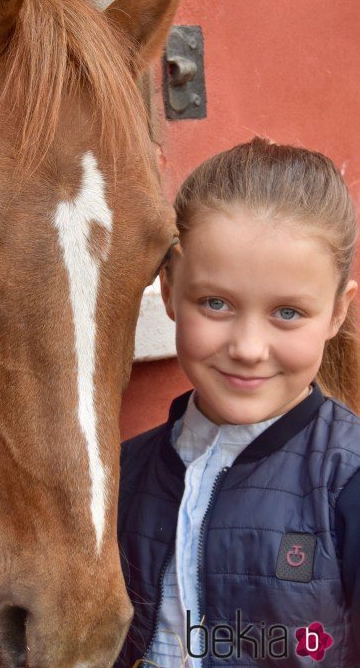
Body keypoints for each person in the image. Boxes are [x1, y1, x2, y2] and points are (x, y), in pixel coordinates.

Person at [115, 137, 360, 668]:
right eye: (216, 303)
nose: (248, 349)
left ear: (337, 313)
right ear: (171, 288)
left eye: (288, 313)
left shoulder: (348, 479)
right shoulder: (123, 475)